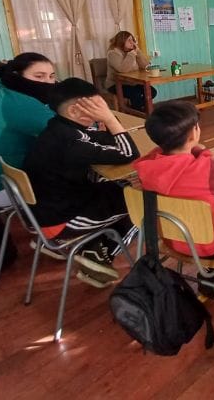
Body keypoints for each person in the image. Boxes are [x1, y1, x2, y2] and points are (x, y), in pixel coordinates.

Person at [24, 78, 140, 288]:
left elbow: (103, 140)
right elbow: (128, 153)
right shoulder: (70, 143)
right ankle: (97, 253)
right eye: (97, 107)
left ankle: (88, 242)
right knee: (140, 202)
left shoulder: (60, 127)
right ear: (74, 111)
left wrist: (107, 123)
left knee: (118, 185)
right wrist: (110, 119)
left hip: (46, 208)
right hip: (60, 221)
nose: (102, 111)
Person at [134, 100, 214, 266]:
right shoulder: (208, 169)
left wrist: (195, 149)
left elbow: (178, 165)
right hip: (212, 244)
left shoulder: (147, 165)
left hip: (173, 239)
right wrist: (207, 154)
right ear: (193, 135)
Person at [0, 53, 57, 208]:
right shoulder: (20, 104)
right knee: (74, 157)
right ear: (17, 75)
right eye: (39, 76)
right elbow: (68, 131)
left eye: (52, 76)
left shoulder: (3, 88)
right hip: (4, 187)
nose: (48, 82)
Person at [105, 31, 155, 112]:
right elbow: (123, 69)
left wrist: (138, 52)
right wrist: (131, 54)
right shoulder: (112, 53)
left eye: (132, 40)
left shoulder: (131, 52)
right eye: (129, 40)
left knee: (152, 91)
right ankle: (139, 112)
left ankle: (135, 109)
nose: (132, 43)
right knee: (136, 94)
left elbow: (145, 66)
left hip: (132, 82)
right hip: (116, 84)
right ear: (121, 41)